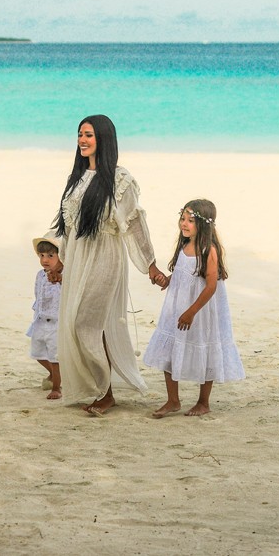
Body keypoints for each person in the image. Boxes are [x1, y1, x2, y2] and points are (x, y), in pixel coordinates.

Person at [51, 114, 166, 416]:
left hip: (104, 255)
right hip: (78, 255)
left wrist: (150, 264)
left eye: (89, 135)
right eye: (79, 134)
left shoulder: (119, 179)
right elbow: (70, 223)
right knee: (82, 322)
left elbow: (134, 223)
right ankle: (101, 388)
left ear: (103, 139)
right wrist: (60, 260)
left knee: (85, 322)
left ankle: (106, 392)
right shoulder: (76, 178)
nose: (83, 140)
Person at [144, 199, 245, 418]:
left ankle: (203, 401)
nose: (184, 224)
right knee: (170, 349)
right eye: (183, 219)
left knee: (204, 349)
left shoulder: (209, 250)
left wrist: (191, 311)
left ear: (204, 224)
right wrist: (167, 280)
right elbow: (184, 275)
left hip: (200, 311)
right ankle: (173, 400)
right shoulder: (184, 246)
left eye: (191, 220)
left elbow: (210, 286)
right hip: (177, 307)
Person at [26, 233, 63, 400]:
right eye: (41, 255)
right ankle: (54, 375)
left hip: (56, 323)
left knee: (55, 358)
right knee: (38, 353)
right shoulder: (40, 275)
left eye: (50, 255)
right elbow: (37, 294)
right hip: (40, 321)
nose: (45, 260)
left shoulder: (65, 276)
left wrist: (61, 280)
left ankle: (56, 387)